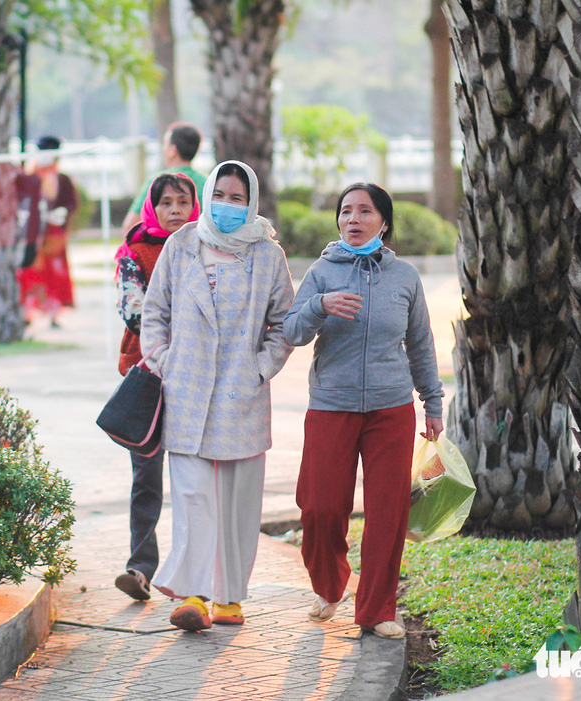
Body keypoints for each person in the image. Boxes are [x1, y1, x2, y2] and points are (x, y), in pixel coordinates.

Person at [282, 182, 444, 640]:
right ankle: (330, 586)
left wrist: (432, 402)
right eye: (346, 211)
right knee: (319, 508)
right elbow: (291, 331)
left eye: (365, 211)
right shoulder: (321, 271)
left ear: (384, 222)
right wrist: (319, 305)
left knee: (387, 513)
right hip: (332, 405)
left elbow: (420, 344)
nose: (353, 219)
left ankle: (376, 609)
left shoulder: (405, 277)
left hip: (391, 409)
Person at [140, 160, 294, 631]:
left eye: (238, 197)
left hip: (240, 396)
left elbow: (284, 323)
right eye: (220, 195)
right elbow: (155, 309)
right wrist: (164, 359)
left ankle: (229, 598)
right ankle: (192, 595)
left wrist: (260, 368)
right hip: (186, 395)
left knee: (236, 503)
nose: (227, 205)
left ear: (251, 202)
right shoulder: (182, 244)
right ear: (207, 197)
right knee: (193, 498)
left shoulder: (268, 256)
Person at [113, 173, 200, 601]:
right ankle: (140, 568)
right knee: (146, 475)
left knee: (192, 476)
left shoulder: (207, 247)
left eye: (183, 203)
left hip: (198, 377)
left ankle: (189, 573)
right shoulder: (134, 251)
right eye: (165, 203)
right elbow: (134, 313)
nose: (175, 211)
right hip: (147, 375)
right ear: (153, 208)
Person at [16, 135, 79, 328]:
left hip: (53, 235)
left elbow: (71, 203)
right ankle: (26, 312)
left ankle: (53, 313)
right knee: (29, 271)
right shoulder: (29, 177)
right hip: (32, 233)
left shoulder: (62, 179)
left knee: (54, 273)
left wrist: (62, 213)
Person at [121, 122, 207, 234]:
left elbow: (130, 226)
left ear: (173, 150)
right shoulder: (208, 183)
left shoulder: (157, 182)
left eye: (165, 145)